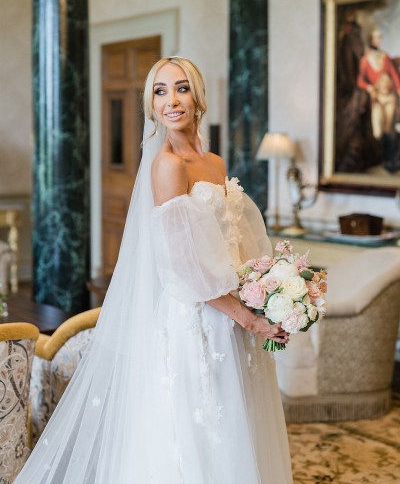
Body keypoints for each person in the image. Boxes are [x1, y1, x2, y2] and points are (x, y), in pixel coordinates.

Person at [16, 57, 293, 483]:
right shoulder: (167, 166)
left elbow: (232, 240)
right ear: (151, 105)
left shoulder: (214, 162)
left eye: (180, 88)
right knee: (199, 431)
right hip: (197, 321)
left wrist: (267, 296)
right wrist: (247, 318)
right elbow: (184, 270)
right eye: (160, 92)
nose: (171, 101)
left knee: (239, 424)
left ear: (197, 96)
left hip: (232, 315)